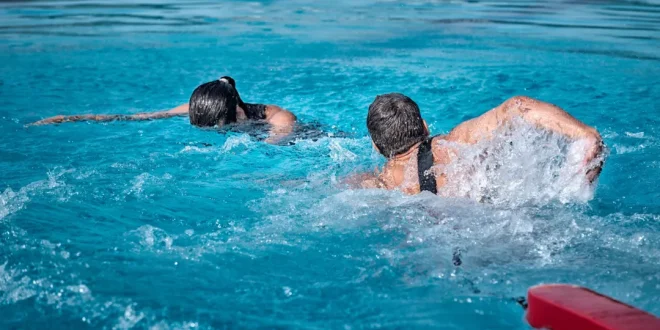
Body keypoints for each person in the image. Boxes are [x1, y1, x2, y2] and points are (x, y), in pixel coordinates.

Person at [356, 93, 604, 195]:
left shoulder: (375, 185)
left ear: (376, 147)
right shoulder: (452, 147)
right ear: (424, 126)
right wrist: (585, 134)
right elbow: (517, 106)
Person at [29, 76, 297, 143]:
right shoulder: (194, 108)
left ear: (238, 112)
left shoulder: (278, 118)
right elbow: (141, 117)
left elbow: (277, 142)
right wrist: (73, 118)